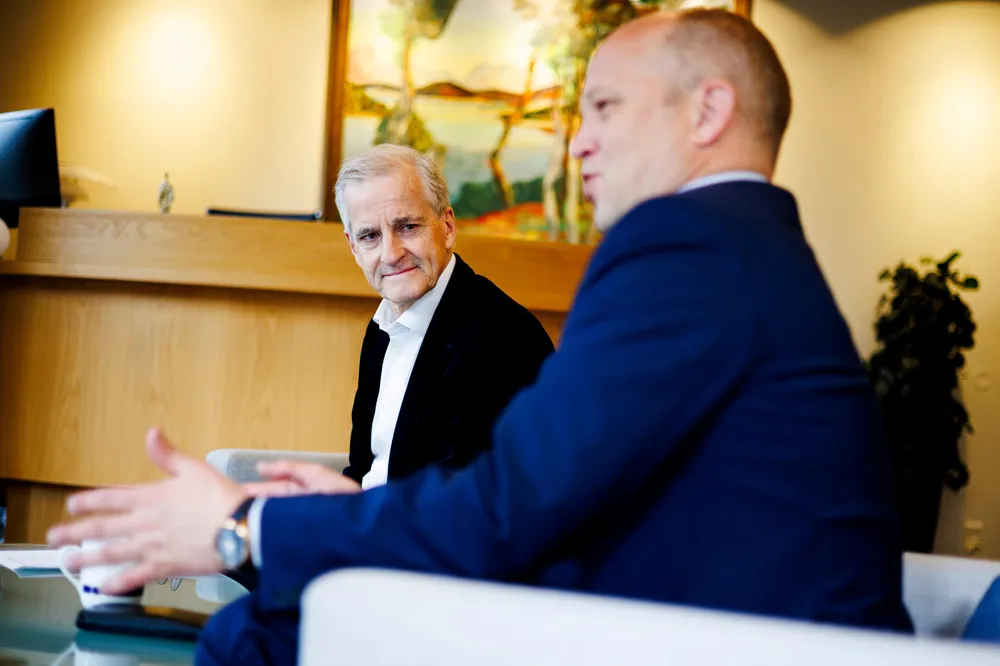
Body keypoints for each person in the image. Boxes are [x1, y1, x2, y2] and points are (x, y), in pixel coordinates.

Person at [47, 9, 914, 665]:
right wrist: (340, 509)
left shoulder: (682, 249)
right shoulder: (745, 248)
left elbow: (507, 507)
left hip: (715, 636)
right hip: (712, 614)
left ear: (708, 110)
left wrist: (244, 526)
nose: (579, 143)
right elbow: (568, 492)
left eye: (604, 107)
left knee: (257, 636)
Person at [244, 144, 554, 501]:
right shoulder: (382, 328)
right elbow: (364, 470)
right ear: (353, 247)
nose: (391, 254)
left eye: (407, 227)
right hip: (379, 523)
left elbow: (463, 501)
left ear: (447, 227)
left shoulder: (502, 336)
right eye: (370, 236)